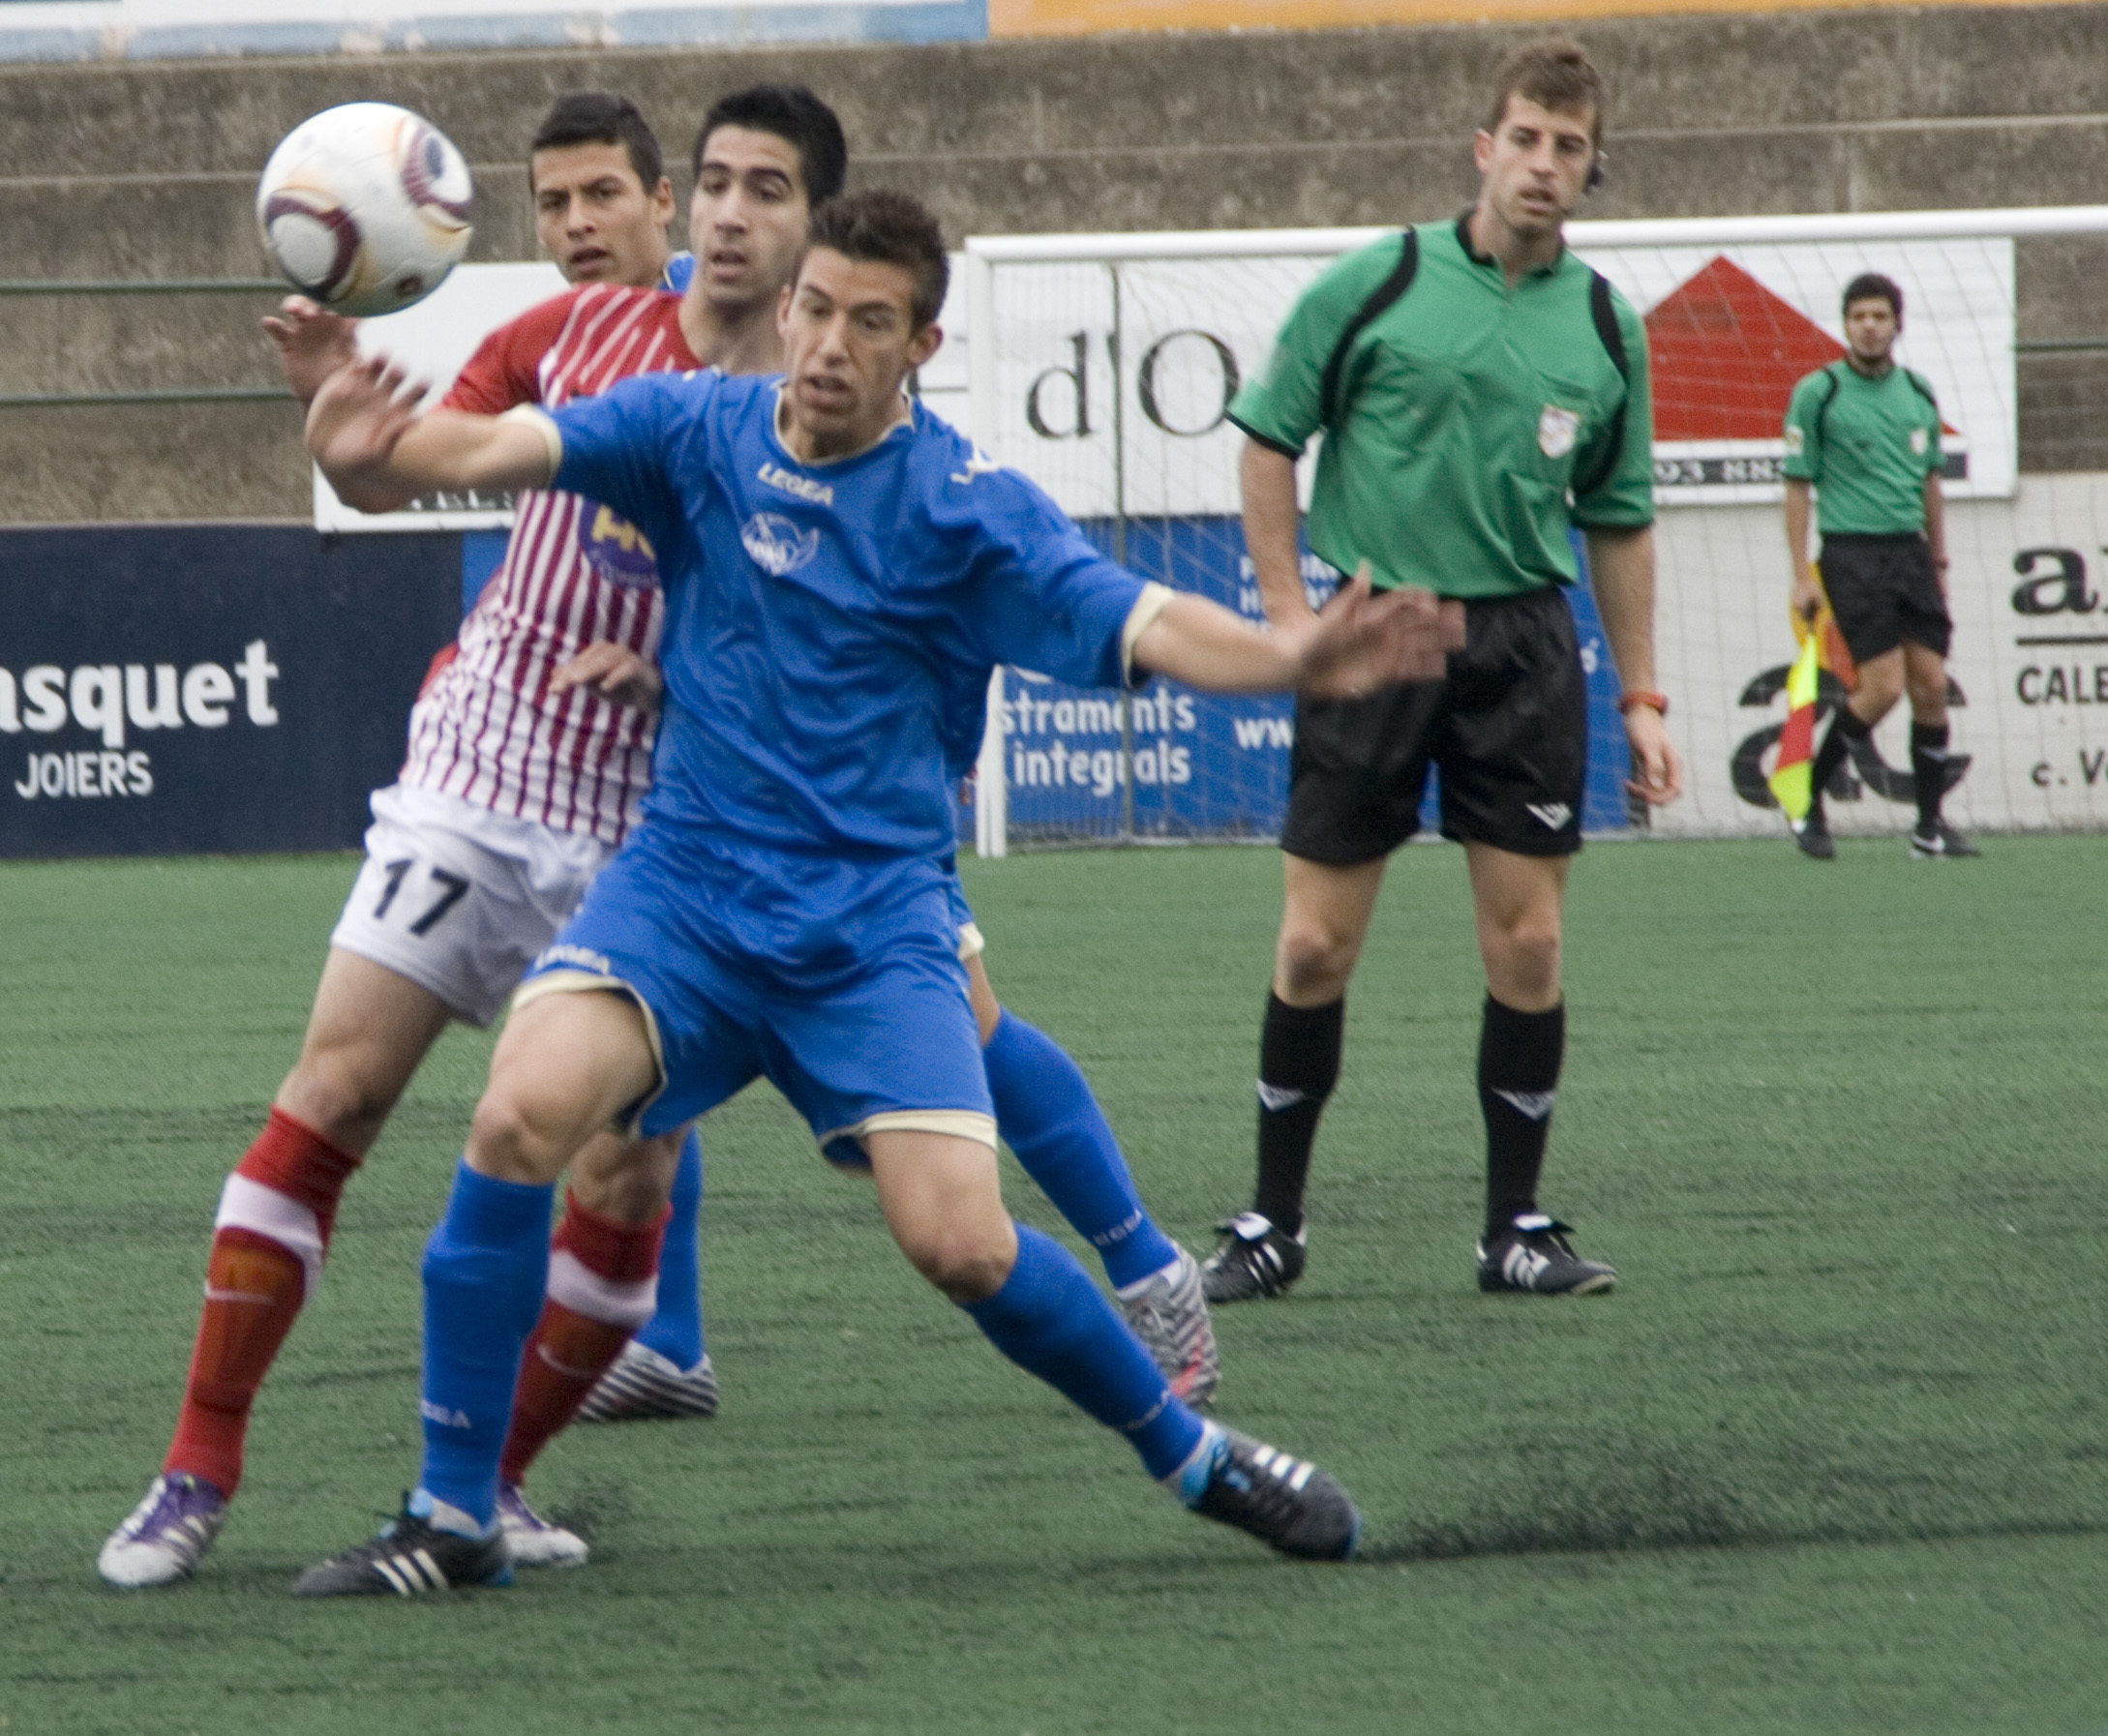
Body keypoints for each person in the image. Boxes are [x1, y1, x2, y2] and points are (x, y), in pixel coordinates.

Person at [99, 92, 1211, 1590]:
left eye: (744, 195)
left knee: (652, 1171)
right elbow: (411, 458)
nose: (699, 220)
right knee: (339, 1090)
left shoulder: (861, 408)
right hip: (494, 780)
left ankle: (487, 1488)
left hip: (704, 826)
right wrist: (344, 429)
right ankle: (194, 1468)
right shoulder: (586, 340)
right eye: (695, 192)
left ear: (820, 241)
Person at [285, 188, 1463, 1594]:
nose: (832, 343)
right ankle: (452, 1510)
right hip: (688, 896)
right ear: (783, 310)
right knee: (518, 1110)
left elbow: (1144, 618)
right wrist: (369, 460)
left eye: (872, 322)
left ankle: (1194, 1455)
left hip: (869, 931)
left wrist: (1288, 660)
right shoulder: (693, 429)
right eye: (818, 309)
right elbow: (495, 443)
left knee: (959, 1243)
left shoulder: (966, 514)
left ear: (923, 344)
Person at [1199, 38, 1681, 1308]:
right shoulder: (1379, 278)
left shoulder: (1601, 325)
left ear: (1589, 169)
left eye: (1567, 147)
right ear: (1484, 147)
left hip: (1522, 646)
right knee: (1311, 944)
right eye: (1523, 137)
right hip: (1373, 639)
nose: (1541, 164)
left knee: (1526, 944)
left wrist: (1639, 696)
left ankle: (1514, 1227)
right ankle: (1270, 1223)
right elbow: (1263, 441)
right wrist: (1292, 614)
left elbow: (1619, 518)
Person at [1780, 272, 1972, 860]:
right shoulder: (1819, 392)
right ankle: (1807, 794)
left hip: (1910, 555)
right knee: (1882, 688)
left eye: (1879, 317)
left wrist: (1937, 559)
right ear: (1845, 325)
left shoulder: (1918, 391)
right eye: (1859, 316)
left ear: (1897, 325)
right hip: (1851, 553)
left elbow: (1931, 482)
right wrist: (1800, 574)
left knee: (1932, 686)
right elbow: (1796, 485)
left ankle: (1929, 828)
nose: (1869, 326)